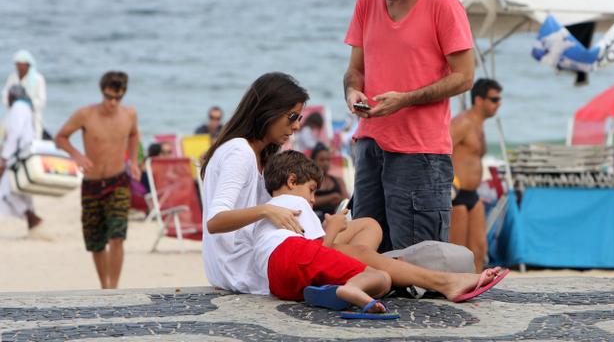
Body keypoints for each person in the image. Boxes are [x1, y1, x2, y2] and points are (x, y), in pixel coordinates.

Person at [201, 72, 508, 301]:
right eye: (292, 117)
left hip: (262, 251)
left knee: (366, 226)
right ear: (266, 111)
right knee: (353, 249)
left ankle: (366, 271)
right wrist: (267, 210)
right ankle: (441, 281)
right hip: (246, 265)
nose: (296, 126)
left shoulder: (259, 154)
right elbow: (216, 222)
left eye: (300, 118)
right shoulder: (239, 151)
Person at [343, 0, 475, 252]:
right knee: (366, 252)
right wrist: (352, 92)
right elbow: (355, 69)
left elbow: (464, 77)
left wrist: (406, 100)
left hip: (420, 151)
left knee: (419, 259)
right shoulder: (366, 2)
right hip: (370, 143)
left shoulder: (442, 2)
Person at [256, 149, 393, 314]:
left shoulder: (265, 212)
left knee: (324, 275)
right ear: (291, 181)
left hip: (277, 281)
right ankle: (352, 288)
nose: (313, 199)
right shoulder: (297, 202)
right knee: (382, 278)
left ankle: (336, 289)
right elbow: (320, 249)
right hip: (294, 252)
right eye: (311, 190)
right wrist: (333, 228)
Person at [54, 71, 140, 289]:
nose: (113, 103)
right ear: (102, 92)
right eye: (109, 97)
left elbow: (134, 134)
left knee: (117, 236)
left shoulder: (129, 114)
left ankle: (114, 288)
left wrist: (134, 162)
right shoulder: (85, 115)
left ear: (123, 95)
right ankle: (104, 287)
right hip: (91, 184)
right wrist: (77, 155)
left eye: (118, 98)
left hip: (118, 181)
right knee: (96, 241)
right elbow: (60, 137)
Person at [449, 78, 502, 272]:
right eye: (494, 99)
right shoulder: (462, 122)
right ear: (479, 100)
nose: (499, 104)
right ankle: (456, 289)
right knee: (458, 253)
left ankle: (476, 289)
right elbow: (441, 151)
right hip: (457, 194)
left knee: (479, 250)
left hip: (473, 194)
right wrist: (448, 184)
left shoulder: (479, 125)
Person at [0, 85, 43, 232]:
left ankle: (32, 218)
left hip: (17, 155)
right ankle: (32, 223)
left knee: (7, 191)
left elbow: (15, 134)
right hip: (24, 153)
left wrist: (4, 157)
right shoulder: (26, 108)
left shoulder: (18, 107)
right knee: (20, 189)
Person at [2, 50, 47, 139]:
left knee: (31, 139)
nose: (18, 67)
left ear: (28, 65)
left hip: (32, 116)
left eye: (21, 64)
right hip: (14, 114)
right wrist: (14, 105)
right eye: (17, 64)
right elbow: (5, 95)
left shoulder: (38, 79)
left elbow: (42, 100)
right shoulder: (12, 77)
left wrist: (26, 105)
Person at [311, 142, 349, 220]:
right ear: (313, 161)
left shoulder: (338, 180)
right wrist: (331, 197)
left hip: (337, 219)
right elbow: (308, 202)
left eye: (328, 160)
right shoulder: (309, 181)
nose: (325, 163)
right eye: (322, 160)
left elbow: (347, 201)